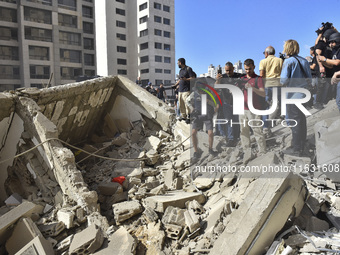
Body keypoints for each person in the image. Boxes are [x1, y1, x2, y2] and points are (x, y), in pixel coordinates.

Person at [280, 39, 312, 156]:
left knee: (295, 121)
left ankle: (297, 148)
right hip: (303, 94)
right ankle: (302, 143)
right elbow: (309, 78)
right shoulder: (304, 61)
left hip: (292, 95)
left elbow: (283, 80)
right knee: (301, 119)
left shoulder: (288, 62)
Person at [237, 59, 266, 164]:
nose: (247, 71)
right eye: (246, 69)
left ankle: (262, 152)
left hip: (255, 109)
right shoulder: (241, 79)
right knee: (243, 132)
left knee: (257, 131)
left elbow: (263, 94)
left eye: (249, 69)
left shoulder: (258, 79)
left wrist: (252, 88)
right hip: (243, 109)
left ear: (254, 67)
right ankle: (246, 151)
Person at [215, 62, 242, 147]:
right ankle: (231, 139)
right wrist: (218, 80)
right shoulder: (222, 77)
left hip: (237, 101)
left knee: (236, 120)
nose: (228, 72)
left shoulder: (238, 76)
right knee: (229, 121)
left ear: (233, 68)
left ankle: (237, 137)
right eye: (226, 70)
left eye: (230, 70)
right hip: (226, 102)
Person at [259, 46, 283, 135]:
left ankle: (266, 127)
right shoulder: (279, 60)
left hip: (267, 85)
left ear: (266, 53)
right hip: (278, 84)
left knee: (266, 106)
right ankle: (284, 119)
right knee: (281, 103)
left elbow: (261, 75)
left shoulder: (263, 61)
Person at [319, 32, 340, 112]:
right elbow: (332, 66)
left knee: (339, 101)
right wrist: (323, 62)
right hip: (338, 77)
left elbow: (337, 62)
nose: (330, 44)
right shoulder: (334, 51)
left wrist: (325, 59)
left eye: (332, 42)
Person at [174, 58, 195, 123]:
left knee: (186, 104)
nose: (177, 64)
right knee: (181, 104)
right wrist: (175, 85)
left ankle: (189, 117)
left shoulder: (188, 69)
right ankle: (183, 116)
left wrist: (186, 79)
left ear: (180, 63)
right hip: (180, 90)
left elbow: (193, 78)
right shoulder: (180, 71)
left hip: (186, 90)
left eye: (178, 63)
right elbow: (180, 79)